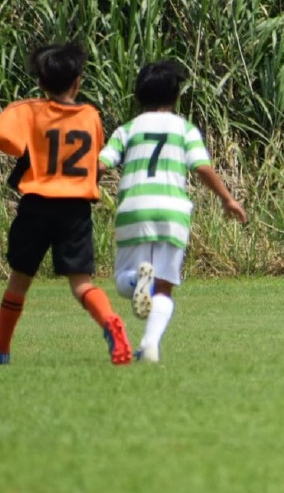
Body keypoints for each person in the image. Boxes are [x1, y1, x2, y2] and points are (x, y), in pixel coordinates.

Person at [0, 42, 133, 366]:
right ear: (78, 82)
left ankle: (1, 348)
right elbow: (93, 155)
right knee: (82, 283)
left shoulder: (31, 110)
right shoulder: (91, 116)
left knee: (19, 280)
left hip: (38, 205)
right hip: (76, 209)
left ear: (41, 84)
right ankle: (111, 322)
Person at [99, 59, 247, 363]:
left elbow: (101, 165)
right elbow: (202, 168)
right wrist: (227, 199)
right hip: (173, 211)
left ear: (138, 94)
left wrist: (81, 187)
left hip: (135, 208)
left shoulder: (127, 130)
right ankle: (150, 346)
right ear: (176, 96)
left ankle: (138, 282)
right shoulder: (185, 129)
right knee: (164, 286)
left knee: (124, 280)